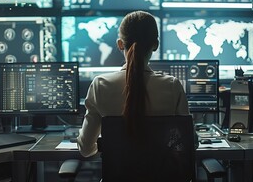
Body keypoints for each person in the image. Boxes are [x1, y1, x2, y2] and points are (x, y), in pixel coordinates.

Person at [77, 10, 190, 157]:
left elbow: (86, 149)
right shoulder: (172, 86)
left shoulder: (100, 85)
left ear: (120, 44)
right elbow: (188, 144)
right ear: (155, 45)